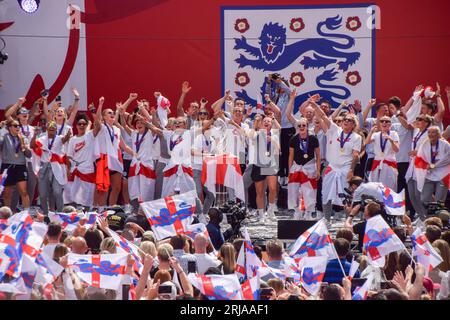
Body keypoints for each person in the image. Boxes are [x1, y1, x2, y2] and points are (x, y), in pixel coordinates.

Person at [310, 95, 362, 223]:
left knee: (346, 195)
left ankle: (347, 220)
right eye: (345, 119)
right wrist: (314, 104)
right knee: (326, 192)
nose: (346, 121)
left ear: (354, 124)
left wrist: (351, 170)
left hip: (345, 167)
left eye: (349, 120)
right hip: (332, 166)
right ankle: (326, 219)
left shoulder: (356, 137)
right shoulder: (335, 130)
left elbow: (355, 155)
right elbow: (322, 116)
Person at [93, 97, 135, 207]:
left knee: (117, 187)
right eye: (109, 113)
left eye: (112, 112)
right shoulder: (101, 127)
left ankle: (111, 209)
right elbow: (96, 121)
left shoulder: (117, 130)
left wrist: (136, 154)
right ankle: (102, 210)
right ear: (104, 117)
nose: (112, 114)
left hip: (116, 160)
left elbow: (124, 146)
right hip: (103, 160)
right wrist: (100, 104)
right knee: (104, 188)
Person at [287, 98, 321, 220]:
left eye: (303, 125)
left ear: (307, 126)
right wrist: (289, 169)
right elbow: (290, 156)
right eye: (299, 125)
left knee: (310, 190)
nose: (301, 127)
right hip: (296, 167)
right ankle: (297, 211)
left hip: (309, 166)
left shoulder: (313, 138)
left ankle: (308, 212)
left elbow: (318, 155)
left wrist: (317, 170)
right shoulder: (293, 139)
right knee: (294, 189)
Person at [119, 104, 156, 206]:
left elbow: (153, 125)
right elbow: (124, 126)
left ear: (145, 124)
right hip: (135, 166)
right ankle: (134, 209)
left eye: (141, 123)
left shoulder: (150, 134)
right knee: (134, 190)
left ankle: (146, 211)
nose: (139, 124)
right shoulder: (134, 133)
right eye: (137, 122)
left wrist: (146, 117)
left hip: (147, 165)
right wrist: (122, 115)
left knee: (146, 191)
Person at [248, 114, 280, 223]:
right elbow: (250, 136)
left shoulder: (274, 135)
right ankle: (261, 215)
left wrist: (272, 140)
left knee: (272, 189)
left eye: (269, 121)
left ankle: (270, 211)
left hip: (270, 165)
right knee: (260, 192)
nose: (266, 122)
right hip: (258, 165)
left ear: (271, 124)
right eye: (264, 121)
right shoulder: (257, 134)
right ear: (262, 123)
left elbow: (278, 150)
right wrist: (255, 125)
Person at [64, 114, 96, 208]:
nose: (81, 125)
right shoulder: (73, 139)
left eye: (84, 124)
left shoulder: (90, 135)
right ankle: (73, 214)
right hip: (75, 169)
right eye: (79, 124)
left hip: (88, 169)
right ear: (76, 125)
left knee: (87, 195)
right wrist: (68, 170)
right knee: (72, 194)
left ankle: (87, 213)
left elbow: (97, 125)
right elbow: (69, 156)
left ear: (86, 125)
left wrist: (93, 112)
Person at [405, 114, 433, 220]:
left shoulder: (429, 133)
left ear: (426, 123)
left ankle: (427, 218)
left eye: (420, 119)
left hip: (421, 166)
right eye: (417, 118)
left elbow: (432, 150)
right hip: (413, 165)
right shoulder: (417, 132)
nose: (417, 120)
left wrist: (418, 152)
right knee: (412, 195)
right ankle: (421, 217)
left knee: (419, 195)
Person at [415, 126, 450, 210]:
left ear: (438, 134)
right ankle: (431, 215)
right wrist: (425, 166)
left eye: (433, 132)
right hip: (429, 175)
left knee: (440, 201)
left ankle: (439, 219)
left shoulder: (445, 144)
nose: (431, 134)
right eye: (429, 132)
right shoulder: (424, 145)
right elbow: (419, 158)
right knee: (424, 199)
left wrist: (434, 165)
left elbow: (448, 158)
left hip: (443, 175)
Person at [0, 119, 32, 209]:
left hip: (20, 166)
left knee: (24, 192)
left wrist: (24, 146)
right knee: (7, 193)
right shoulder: (5, 137)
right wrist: (1, 129)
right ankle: (8, 216)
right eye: (15, 125)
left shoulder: (23, 138)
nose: (18, 127)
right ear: (9, 128)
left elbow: (29, 155)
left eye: (18, 125)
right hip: (7, 166)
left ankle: (26, 214)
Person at [365, 115, 400, 191]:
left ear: (390, 124)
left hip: (389, 163)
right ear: (379, 123)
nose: (384, 123)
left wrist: (390, 140)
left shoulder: (394, 134)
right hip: (377, 163)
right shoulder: (376, 134)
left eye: (387, 121)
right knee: (375, 186)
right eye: (382, 121)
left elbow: (397, 149)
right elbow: (366, 142)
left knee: (388, 187)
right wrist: (371, 131)